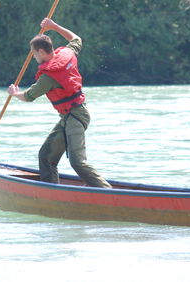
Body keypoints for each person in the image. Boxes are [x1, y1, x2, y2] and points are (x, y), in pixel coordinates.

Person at [8, 18, 112, 188]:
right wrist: (54, 27)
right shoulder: (67, 53)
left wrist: (14, 93)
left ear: (41, 52)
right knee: (46, 156)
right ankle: (51, 193)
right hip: (69, 116)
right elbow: (76, 38)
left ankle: (107, 191)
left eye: (34, 54)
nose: (33, 57)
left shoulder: (49, 77)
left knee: (78, 163)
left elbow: (28, 96)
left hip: (76, 116)